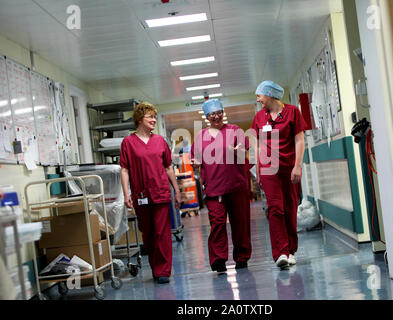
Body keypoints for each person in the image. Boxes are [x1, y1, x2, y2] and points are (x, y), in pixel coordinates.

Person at [120, 102, 181, 284]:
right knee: (148, 233)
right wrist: (126, 194)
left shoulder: (160, 141)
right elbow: (124, 169)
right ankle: (156, 266)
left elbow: (169, 167)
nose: (154, 120)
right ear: (139, 119)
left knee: (162, 232)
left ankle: (163, 270)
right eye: (150, 117)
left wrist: (176, 190)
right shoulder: (128, 143)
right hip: (141, 195)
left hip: (161, 193)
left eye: (155, 116)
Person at [190, 99, 252, 273]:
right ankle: (218, 259)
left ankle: (242, 257)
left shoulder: (235, 131)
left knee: (240, 223)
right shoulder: (201, 137)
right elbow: (195, 158)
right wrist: (195, 163)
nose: (216, 116)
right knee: (217, 223)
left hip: (237, 185)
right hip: (214, 187)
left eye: (219, 112)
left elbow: (246, 153)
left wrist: (238, 152)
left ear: (223, 113)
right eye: (212, 114)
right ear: (207, 116)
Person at [251, 80, 307, 269]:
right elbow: (258, 144)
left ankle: (291, 250)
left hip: (290, 167)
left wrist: (298, 166)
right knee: (275, 208)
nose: (258, 99)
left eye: (260, 95)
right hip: (268, 169)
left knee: (290, 207)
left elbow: (300, 140)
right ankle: (280, 252)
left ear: (270, 95)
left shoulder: (292, 112)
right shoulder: (259, 117)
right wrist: (258, 169)